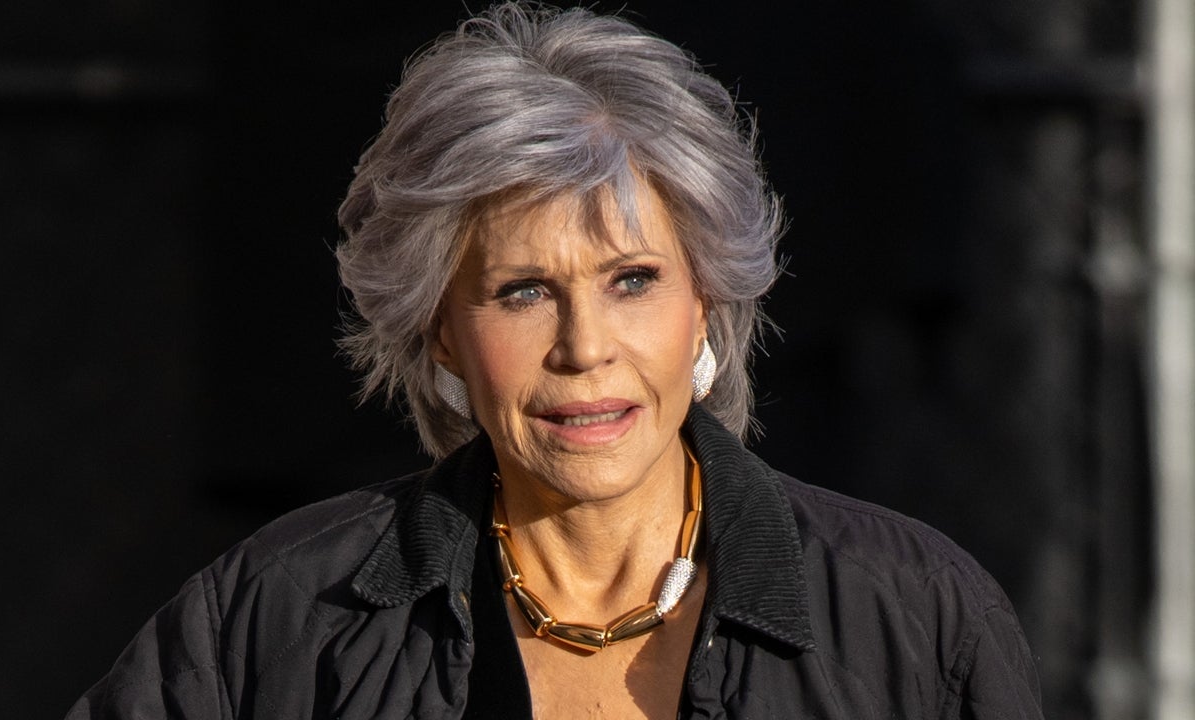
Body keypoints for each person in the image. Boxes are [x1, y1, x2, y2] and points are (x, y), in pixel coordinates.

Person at [67, 3, 1043, 718]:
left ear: (705, 301)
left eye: (632, 281)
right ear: (440, 330)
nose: (584, 349)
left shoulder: (914, 614)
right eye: (523, 292)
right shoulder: (275, 616)